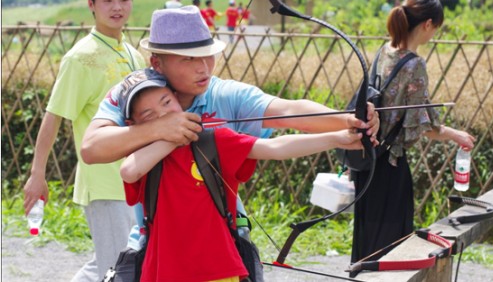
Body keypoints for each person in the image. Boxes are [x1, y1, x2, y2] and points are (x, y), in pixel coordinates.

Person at [81, 6, 379, 280]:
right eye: (189, 59)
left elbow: (289, 112)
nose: (203, 68)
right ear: (157, 63)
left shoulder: (223, 95)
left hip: (220, 245)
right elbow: (93, 149)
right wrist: (163, 129)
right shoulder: (137, 93)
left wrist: (349, 120)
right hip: (158, 249)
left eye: (207, 55)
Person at [117, 68, 364, 281]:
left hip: (219, 268)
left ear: (178, 100)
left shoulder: (213, 141)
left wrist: (337, 137)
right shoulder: (144, 157)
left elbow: (274, 148)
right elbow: (129, 172)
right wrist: (172, 137)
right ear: (134, 125)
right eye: (149, 115)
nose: (164, 115)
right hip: (163, 272)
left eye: (166, 102)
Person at [23, 0, 146, 281]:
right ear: (91, 5)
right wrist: (37, 175)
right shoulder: (81, 58)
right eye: (107, 0)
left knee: (114, 263)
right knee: (120, 267)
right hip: (104, 182)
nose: (117, 7)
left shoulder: (132, 53)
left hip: (135, 180)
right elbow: (53, 116)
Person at [350, 0, 476, 264]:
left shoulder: (384, 51)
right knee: (392, 248)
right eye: (436, 29)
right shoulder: (414, 64)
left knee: (366, 243)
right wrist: (457, 135)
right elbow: (423, 125)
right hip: (391, 166)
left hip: (366, 160)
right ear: (428, 24)